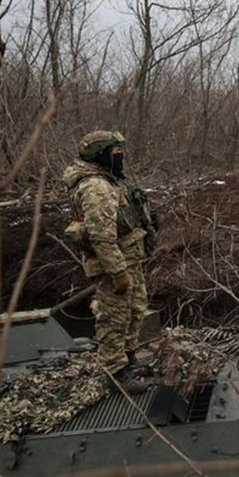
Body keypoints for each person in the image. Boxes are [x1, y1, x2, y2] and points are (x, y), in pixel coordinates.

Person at [63, 131, 158, 394]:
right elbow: (101, 237)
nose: (121, 157)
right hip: (113, 265)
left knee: (135, 309)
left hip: (130, 258)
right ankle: (114, 372)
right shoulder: (96, 187)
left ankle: (127, 358)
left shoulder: (110, 181)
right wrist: (117, 272)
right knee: (114, 318)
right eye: (116, 153)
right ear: (101, 154)